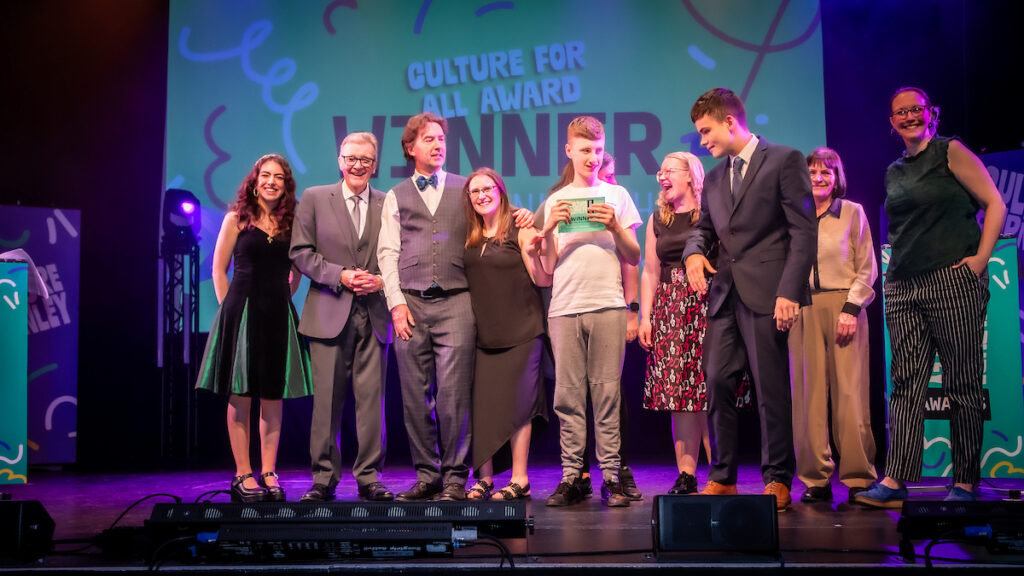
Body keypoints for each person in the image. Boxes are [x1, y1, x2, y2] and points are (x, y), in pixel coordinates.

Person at [856, 87, 1005, 507]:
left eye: (916, 109)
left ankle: (966, 483)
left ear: (931, 113)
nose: (909, 117)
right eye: (900, 112)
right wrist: (893, 281)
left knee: (962, 384)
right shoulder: (893, 170)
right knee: (906, 383)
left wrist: (981, 260)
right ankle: (895, 479)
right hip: (903, 285)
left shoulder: (949, 151)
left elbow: (994, 203)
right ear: (892, 123)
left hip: (951, 279)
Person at [377, 113, 532, 502]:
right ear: (410, 148)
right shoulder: (396, 195)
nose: (437, 145)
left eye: (441, 138)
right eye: (428, 139)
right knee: (415, 396)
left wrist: (524, 215)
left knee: (455, 396)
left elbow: (496, 217)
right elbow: (387, 253)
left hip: (458, 301)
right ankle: (427, 475)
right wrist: (396, 304)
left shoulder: (466, 189)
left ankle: (455, 478)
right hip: (411, 303)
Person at [683, 88, 817, 510]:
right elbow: (704, 229)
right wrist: (692, 254)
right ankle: (722, 477)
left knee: (769, 388)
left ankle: (777, 478)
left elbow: (803, 231)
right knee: (717, 380)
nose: (703, 140)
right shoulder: (715, 178)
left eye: (706, 130)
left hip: (769, 292)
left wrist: (789, 291)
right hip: (726, 293)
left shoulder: (784, 159)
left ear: (729, 122)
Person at [196, 153, 313, 503]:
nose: (271, 182)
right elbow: (218, 270)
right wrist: (228, 313)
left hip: (277, 314)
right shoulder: (236, 218)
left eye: (279, 177)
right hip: (241, 313)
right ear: (255, 180)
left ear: (286, 184)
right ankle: (243, 474)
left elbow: (298, 271)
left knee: (273, 397)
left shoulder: (293, 223)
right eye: (266, 175)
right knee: (241, 395)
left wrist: (285, 297)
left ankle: (269, 471)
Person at [539, 116, 642, 508]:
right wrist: (548, 229)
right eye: (585, 150)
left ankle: (611, 478)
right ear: (569, 150)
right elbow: (548, 267)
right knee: (567, 396)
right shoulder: (556, 200)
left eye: (598, 150)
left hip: (608, 304)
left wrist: (615, 226)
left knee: (607, 394)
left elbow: (634, 255)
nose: (593, 158)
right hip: (565, 307)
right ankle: (572, 477)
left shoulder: (617, 195)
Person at [290, 132, 394, 503]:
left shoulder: (388, 202)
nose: (357, 165)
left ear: (375, 165)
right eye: (351, 158)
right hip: (328, 312)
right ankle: (323, 478)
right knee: (326, 403)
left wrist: (381, 280)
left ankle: (370, 477)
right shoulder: (315, 198)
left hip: (375, 314)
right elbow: (301, 252)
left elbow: (400, 254)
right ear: (340, 161)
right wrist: (341, 275)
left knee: (372, 404)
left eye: (365, 159)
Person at [789, 147, 878, 504]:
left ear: (837, 177)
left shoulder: (852, 212)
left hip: (845, 306)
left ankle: (858, 477)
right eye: (812, 171)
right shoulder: (794, 215)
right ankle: (815, 479)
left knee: (850, 395)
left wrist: (851, 308)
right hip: (802, 307)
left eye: (826, 171)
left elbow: (867, 266)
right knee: (807, 396)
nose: (818, 177)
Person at [462, 168, 550, 501]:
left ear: (500, 191)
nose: (482, 196)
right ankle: (484, 479)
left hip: (523, 331)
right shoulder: (469, 234)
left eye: (487, 189)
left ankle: (519, 478)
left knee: (519, 407)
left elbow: (543, 279)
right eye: (475, 192)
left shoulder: (522, 228)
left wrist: (535, 251)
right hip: (485, 336)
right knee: (483, 408)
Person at [638, 151, 713, 495]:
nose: (662, 176)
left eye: (669, 170)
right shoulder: (658, 219)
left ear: (690, 175)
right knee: (679, 395)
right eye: (660, 172)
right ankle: (687, 474)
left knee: (709, 392)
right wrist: (645, 316)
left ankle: (720, 474)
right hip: (670, 310)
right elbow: (650, 271)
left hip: (707, 305)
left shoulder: (710, 214)